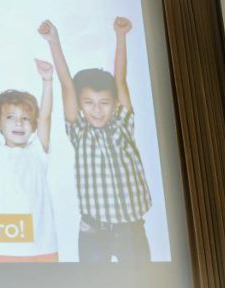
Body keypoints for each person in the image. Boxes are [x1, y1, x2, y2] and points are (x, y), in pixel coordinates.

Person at [40, 18, 152, 262]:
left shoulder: (123, 123)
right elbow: (67, 84)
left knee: (143, 286)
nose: (97, 110)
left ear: (114, 104)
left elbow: (120, 79)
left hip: (131, 229)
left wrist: (120, 36)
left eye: (104, 103)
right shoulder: (79, 132)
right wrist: (54, 41)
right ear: (80, 106)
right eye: (89, 103)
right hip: (93, 231)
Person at [0, 59, 58, 262]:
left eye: (25, 118)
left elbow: (46, 116)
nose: (18, 122)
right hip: (6, 247)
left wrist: (48, 81)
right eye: (10, 117)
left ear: (33, 126)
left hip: (43, 245)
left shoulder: (38, 152)